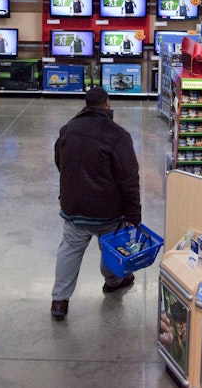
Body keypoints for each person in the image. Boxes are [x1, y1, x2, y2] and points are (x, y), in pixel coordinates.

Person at [50, 87, 142, 320]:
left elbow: (60, 162)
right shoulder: (118, 136)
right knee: (110, 249)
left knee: (70, 250)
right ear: (107, 103)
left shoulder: (68, 129)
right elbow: (129, 179)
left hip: (74, 209)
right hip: (108, 212)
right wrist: (134, 215)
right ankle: (113, 281)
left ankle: (59, 301)